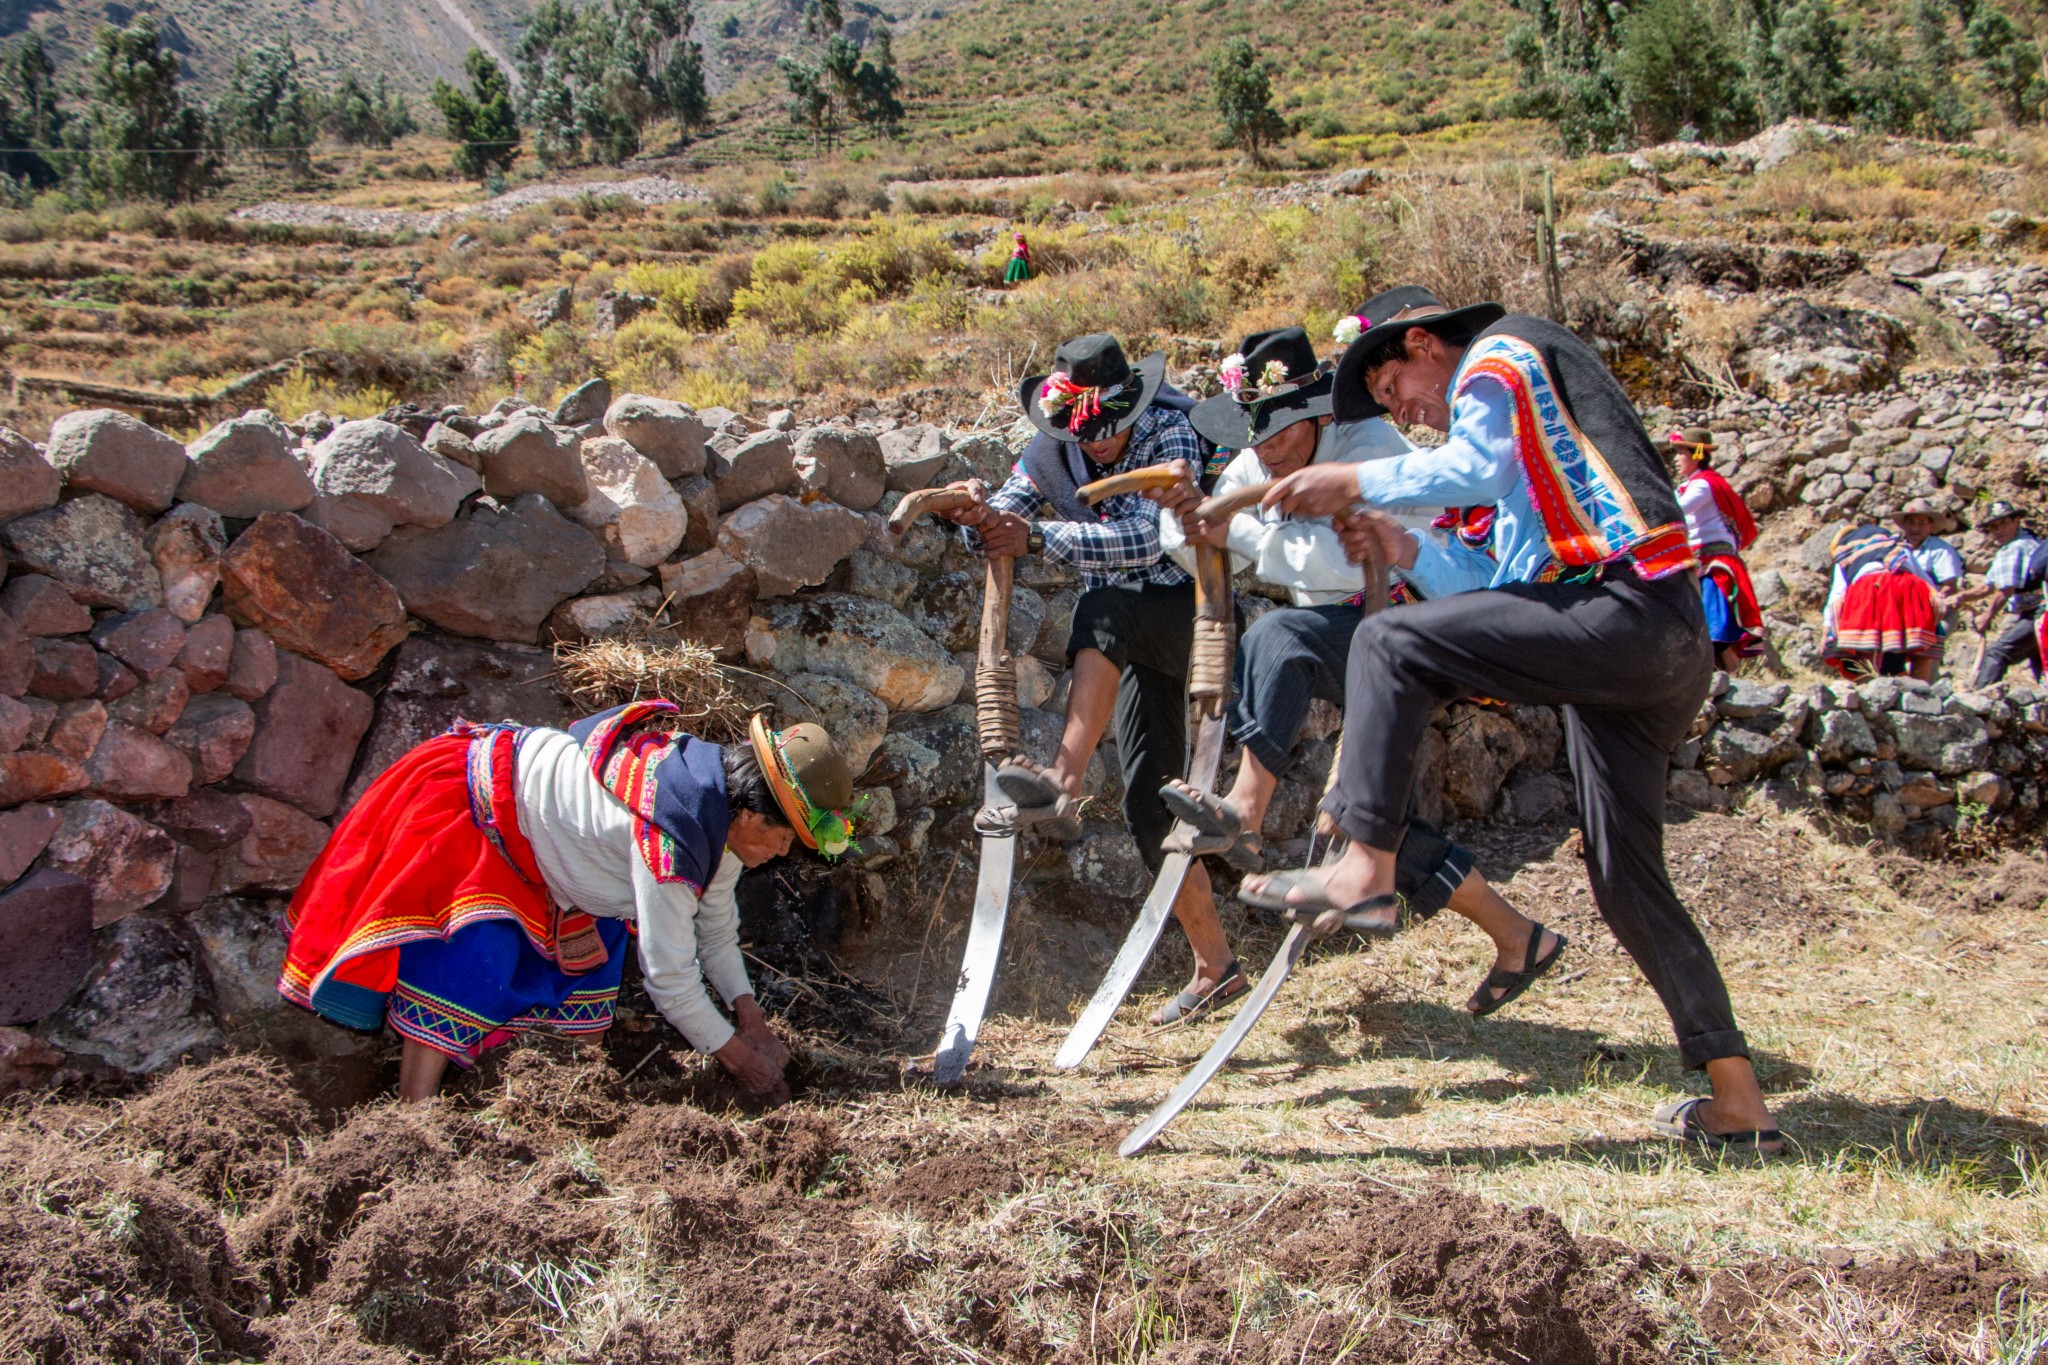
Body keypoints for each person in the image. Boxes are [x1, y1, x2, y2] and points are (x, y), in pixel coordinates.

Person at [1235, 285, 1784, 1154]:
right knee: (1625, 877)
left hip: (1625, 606)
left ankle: (1365, 869)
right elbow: (1494, 583)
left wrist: (1356, 475)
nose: (1406, 412)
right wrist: (1407, 547)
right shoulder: (1525, 437)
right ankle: (1738, 1101)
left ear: (1422, 343)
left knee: (1388, 647)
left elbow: (1479, 464)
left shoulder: (1505, 353)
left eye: (1394, 391)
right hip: (1644, 647)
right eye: (1388, 409)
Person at [1147, 325, 1566, 1016]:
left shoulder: (1370, 450)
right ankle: (1520, 936)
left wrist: (1238, 529)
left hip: (1411, 628)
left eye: (1279, 432)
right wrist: (1198, 523)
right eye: (1254, 435)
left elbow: (1344, 564)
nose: (1264, 449)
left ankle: (1245, 810)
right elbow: (1205, 538)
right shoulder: (1259, 461)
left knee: (1279, 633)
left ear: (1314, 416)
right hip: (1347, 640)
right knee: (1373, 817)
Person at [279, 703, 858, 1104]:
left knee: (592, 967)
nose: (780, 853)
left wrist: (748, 1014)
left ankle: (563, 1100)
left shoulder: (720, 810)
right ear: (754, 814)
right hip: (485, 816)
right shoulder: (673, 840)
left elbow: (716, 931)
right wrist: (742, 1062)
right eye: (785, 840)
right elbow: (672, 981)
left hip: (563, 862)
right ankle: (414, 1116)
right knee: (470, 961)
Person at [932, 333, 1246, 1023]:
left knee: (1101, 605)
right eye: (1089, 435)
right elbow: (1009, 508)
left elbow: (1150, 534)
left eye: (1112, 430)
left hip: (1193, 612)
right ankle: (1217, 966)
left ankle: (1061, 784)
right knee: (1147, 804)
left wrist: (1039, 537)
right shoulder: (1051, 450)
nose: (1101, 444)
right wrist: (977, 515)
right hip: (1126, 632)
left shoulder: (1171, 428)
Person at [1670, 427, 1764, 673]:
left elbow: (1675, 510)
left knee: (1716, 631)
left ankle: (1726, 679)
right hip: (1698, 563)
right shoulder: (1693, 485)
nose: (1675, 459)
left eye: (1680, 453)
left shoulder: (1703, 486)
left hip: (1713, 566)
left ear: (1696, 454)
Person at [1822, 522, 1942, 682]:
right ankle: (1921, 694)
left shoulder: (1846, 553)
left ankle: (1868, 691)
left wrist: (1826, 633)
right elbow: (1925, 581)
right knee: (1919, 649)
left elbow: (1837, 594)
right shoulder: (1896, 544)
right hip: (1908, 588)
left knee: (1863, 647)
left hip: (1868, 591)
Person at [1960, 500, 2043, 686]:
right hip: (2033, 614)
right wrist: (1960, 597)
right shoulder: (2016, 546)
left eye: (2004, 523)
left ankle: (1981, 701)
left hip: (2039, 613)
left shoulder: (2017, 547)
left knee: (1998, 652)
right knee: (2040, 663)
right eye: (1993, 527)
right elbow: (1987, 587)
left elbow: (2006, 590)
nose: (1999, 530)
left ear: (2017, 520)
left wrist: (1986, 616)